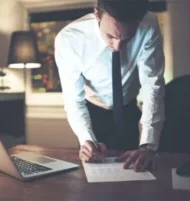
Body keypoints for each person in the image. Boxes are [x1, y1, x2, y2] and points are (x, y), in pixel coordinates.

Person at [54, 0, 165, 172]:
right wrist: (86, 139)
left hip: (129, 111)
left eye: (128, 38)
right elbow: (73, 99)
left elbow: (153, 87)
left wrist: (148, 145)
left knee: (137, 174)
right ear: (97, 15)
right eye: (111, 36)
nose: (118, 46)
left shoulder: (148, 25)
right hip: (92, 113)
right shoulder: (69, 40)